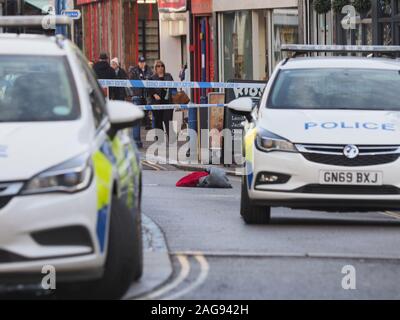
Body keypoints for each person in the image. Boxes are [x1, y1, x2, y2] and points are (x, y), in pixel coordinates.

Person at [148, 60, 176, 142]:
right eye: (158, 66)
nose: (160, 68)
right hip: (157, 102)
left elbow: (173, 87)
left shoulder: (168, 76)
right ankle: (160, 139)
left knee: (168, 120)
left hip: (168, 102)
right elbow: (149, 89)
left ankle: (171, 139)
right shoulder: (152, 78)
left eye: (162, 66)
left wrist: (175, 96)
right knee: (158, 121)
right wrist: (154, 94)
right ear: (155, 68)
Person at [129, 56, 153, 148]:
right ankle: (136, 141)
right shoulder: (134, 70)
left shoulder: (149, 70)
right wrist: (135, 92)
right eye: (140, 62)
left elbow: (151, 80)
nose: (142, 63)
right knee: (137, 119)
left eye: (143, 62)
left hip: (146, 97)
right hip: (137, 96)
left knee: (146, 117)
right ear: (138, 63)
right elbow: (131, 82)